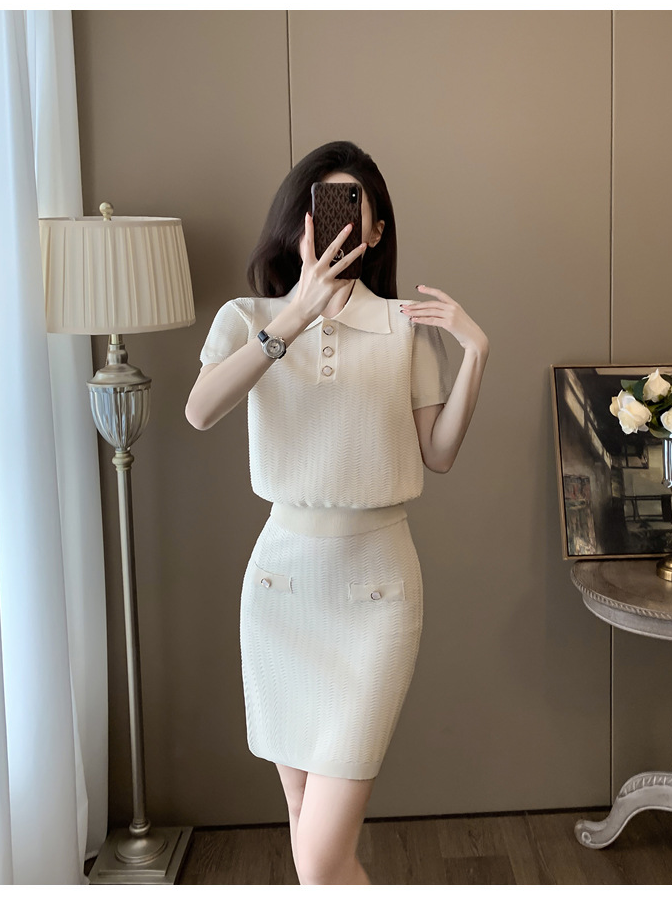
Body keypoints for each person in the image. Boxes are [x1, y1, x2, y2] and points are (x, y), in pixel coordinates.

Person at [185, 141, 489, 885]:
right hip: (280, 591)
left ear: (377, 230)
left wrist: (476, 354)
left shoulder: (405, 326)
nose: (338, 223)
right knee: (309, 835)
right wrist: (293, 317)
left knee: (321, 857)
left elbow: (438, 454)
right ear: (296, 223)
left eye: (355, 208)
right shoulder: (247, 317)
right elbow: (200, 410)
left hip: (376, 593)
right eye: (321, 207)